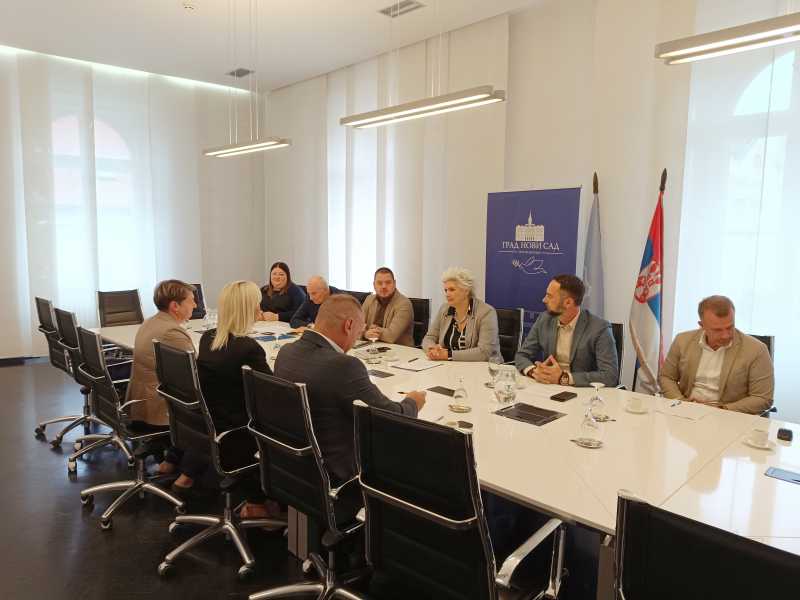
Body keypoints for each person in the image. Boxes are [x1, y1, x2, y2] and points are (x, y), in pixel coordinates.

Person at [275, 294, 425, 485]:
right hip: (335, 474)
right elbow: (390, 418)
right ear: (349, 325)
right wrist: (413, 402)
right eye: (359, 331)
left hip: (291, 465)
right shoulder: (344, 366)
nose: (355, 340)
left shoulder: (286, 352)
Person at [174, 280, 276, 518]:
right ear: (247, 308)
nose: (260, 308)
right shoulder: (248, 348)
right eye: (257, 304)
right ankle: (258, 505)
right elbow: (271, 395)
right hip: (237, 435)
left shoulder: (208, 338)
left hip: (209, 426)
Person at [126, 279, 196, 474]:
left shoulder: (151, 321)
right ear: (175, 306)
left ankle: (174, 460)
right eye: (191, 300)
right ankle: (189, 471)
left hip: (141, 400)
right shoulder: (172, 332)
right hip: (158, 407)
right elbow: (195, 371)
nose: (195, 305)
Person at [659, 295, 773, 414]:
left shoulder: (757, 350)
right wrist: (681, 402)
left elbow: (763, 398)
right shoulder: (682, 340)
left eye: (730, 327)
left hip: (729, 414)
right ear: (702, 325)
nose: (725, 335)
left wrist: (722, 409)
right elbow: (667, 377)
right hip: (686, 410)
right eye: (717, 330)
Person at [515, 274, 618, 387]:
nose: (544, 300)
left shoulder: (599, 328)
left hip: (581, 391)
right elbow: (522, 355)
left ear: (568, 302)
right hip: (548, 387)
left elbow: (610, 376)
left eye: (550, 296)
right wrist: (534, 371)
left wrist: (564, 378)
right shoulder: (544, 319)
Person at [422, 267, 502, 362]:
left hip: (483, 367)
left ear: (466, 291)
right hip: (450, 366)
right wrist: (432, 349)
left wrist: (448, 355)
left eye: (452, 290)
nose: (447, 294)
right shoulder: (444, 309)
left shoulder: (486, 312)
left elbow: (484, 352)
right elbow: (429, 338)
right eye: (445, 290)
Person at [361, 267, 415, 347]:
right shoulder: (369, 299)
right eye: (379, 283)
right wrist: (365, 333)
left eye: (388, 282)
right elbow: (356, 327)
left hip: (399, 350)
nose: (384, 286)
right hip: (373, 348)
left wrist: (371, 330)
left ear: (394, 283)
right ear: (374, 285)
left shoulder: (404, 304)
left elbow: (391, 336)